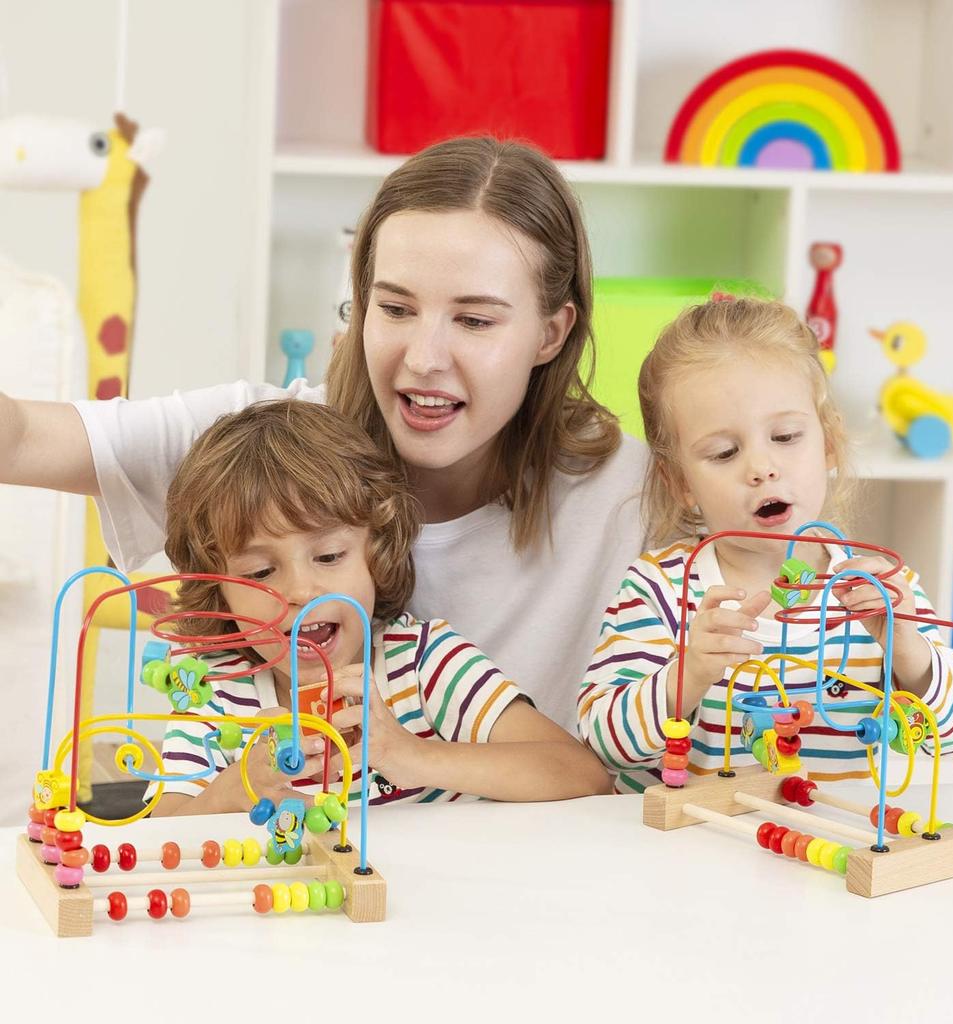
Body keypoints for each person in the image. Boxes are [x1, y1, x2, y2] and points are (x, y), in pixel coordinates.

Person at [0, 136, 646, 734]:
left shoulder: (636, 492)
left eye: (474, 320)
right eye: (394, 309)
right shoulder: (265, 450)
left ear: (551, 333)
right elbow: (22, 436)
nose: (423, 357)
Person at [577, 297, 953, 792]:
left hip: (826, 852)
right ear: (679, 481)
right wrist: (686, 675)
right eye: (724, 452)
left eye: (787, 436)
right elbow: (600, 741)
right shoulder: (659, 588)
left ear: (829, 442)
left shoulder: (878, 590)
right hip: (684, 856)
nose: (761, 467)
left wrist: (907, 649)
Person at [147, 400, 611, 816]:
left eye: (329, 557)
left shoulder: (424, 665)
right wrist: (236, 788)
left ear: (377, 553)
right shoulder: (212, 688)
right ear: (218, 590)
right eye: (259, 573)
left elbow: (582, 775)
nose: (302, 591)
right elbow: (159, 832)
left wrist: (408, 755)